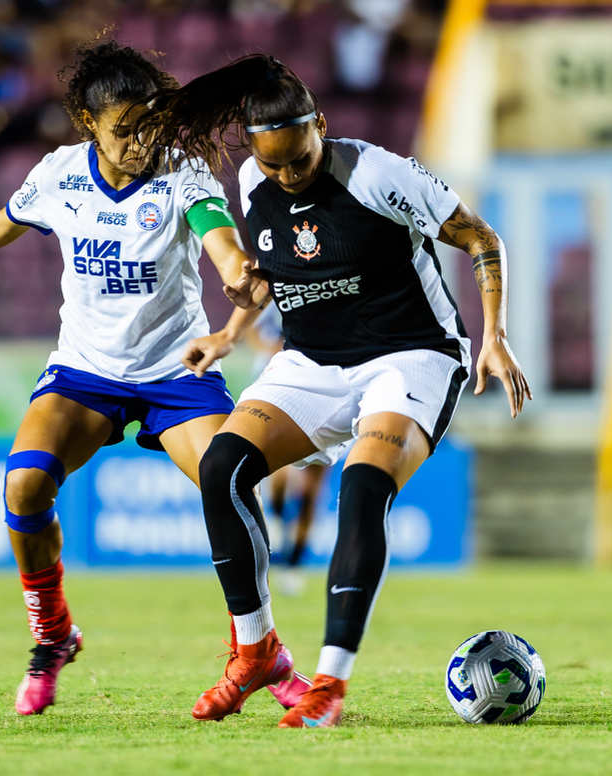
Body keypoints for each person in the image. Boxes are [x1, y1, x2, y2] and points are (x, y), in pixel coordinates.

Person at [0, 42, 305, 717]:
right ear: (88, 123)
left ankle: (261, 648)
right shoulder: (60, 174)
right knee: (24, 485)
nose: (140, 142)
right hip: (86, 372)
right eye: (125, 130)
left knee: (229, 480)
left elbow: (220, 239)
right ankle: (54, 634)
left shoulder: (181, 171)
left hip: (176, 371)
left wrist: (239, 275)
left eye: (150, 124)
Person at [136, 54, 532, 728]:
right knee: (222, 467)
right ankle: (256, 652)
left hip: (409, 356)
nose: (288, 175)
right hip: (313, 361)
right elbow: (279, 272)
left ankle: (329, 684)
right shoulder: (254, 181)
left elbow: (479, 237)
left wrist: (494, 335)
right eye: (274, 165)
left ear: (320, 124)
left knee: (362, 486)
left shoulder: (378, 173)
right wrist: (231, 331)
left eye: (299, 159)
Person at [243, 303, 328, 596]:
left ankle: (295, 563)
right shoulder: (274, 293)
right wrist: (270, 350)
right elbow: (248, 325)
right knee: (278, 474)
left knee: (309, 493)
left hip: (323, 390)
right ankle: (277, 525)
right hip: (279, 389)